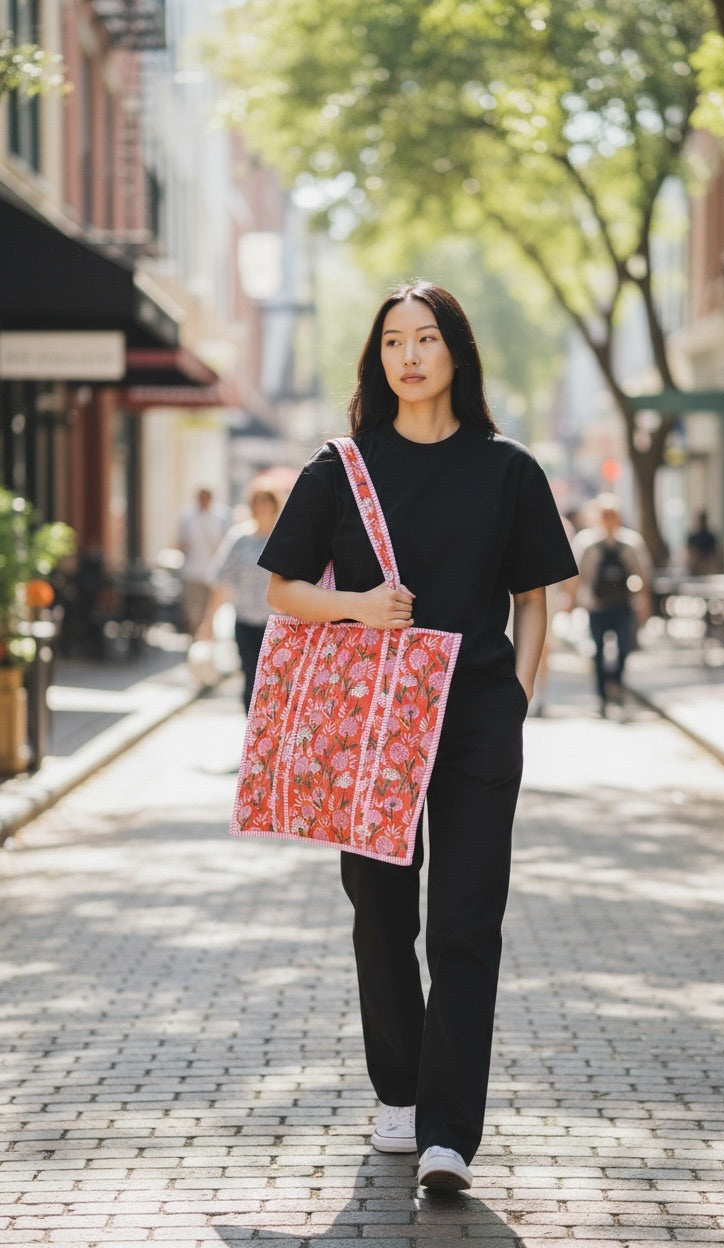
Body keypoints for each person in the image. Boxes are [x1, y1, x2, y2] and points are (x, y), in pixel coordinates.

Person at [257, 281, 577, 1192]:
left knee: (466, 922)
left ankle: (448, 1133)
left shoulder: (508, 468)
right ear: (378, 358)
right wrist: (358, 606)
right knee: (382, 913)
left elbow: (534, 599)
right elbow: (282, 589)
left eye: (426, 338)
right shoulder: (341, 467)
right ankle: (398, 1092)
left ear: (455, 354)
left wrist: (512, 701)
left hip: (474, 717)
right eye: (393, 339)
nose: (409, 354)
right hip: (369, 721)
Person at [198, 477, 291, 712]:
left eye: (266, 501)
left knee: (277, 683)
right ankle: (253, 733)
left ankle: (272, 734)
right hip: (246, 623)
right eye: (257, 502)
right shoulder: (239, 540)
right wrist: (208, 621)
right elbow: (222, 582)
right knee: (251, 678)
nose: (262, 507)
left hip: (280, 625)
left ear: (275, 504)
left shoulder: (286, 539)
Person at [570, 493, 652, 717]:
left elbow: (642, 574)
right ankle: (602, 696)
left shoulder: (630, 543)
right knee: (597, 652)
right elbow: (577, 576)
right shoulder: (587, 543)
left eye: (612, 514)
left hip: (623, 605)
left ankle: (616, 682)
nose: (609, 519)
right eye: (605, 514)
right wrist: (573, 601)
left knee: (624, 648)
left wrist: (642, 601)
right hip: (596, 606)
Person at [176, 488, 230, 636]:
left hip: (214, 572)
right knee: (193, 610)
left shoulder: (220, 517)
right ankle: (195, 637)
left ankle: (207, 641)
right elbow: (181, 542)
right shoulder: (188, 517)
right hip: (192, 571)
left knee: (211, 611)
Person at [686, 509, 722, 577]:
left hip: (708, 568)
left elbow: (714, 554)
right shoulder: (693, 537)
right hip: (695, 568)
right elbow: (690, 553)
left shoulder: (710, 537)